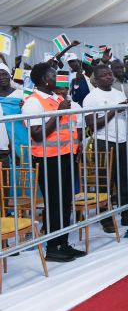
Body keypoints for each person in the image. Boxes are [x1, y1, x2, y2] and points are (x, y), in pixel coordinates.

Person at [23, 63, 85, 262]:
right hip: (48, 159)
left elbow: (70, 127)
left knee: (66, 201)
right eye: (53, 75)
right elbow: (37, 134)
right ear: (43, 79)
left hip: (66, 155)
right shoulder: (33, 102)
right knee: (54, 203)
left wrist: (77, 146)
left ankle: (63, 242)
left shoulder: (58, 98)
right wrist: (58, 113)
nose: (56, 78)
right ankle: (52, 246)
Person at [83, 64, 128, 232]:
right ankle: (105, 218)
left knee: (124, 179)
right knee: (105, 182)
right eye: (104, 75)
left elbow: (126, 115)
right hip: (104, 141)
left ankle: (127, 214)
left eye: (109, 74)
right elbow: (92, 125)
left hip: (123, 140)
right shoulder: (91, 98)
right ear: (96, 79)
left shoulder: (119, 93)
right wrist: (115, 110)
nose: (108, 77)